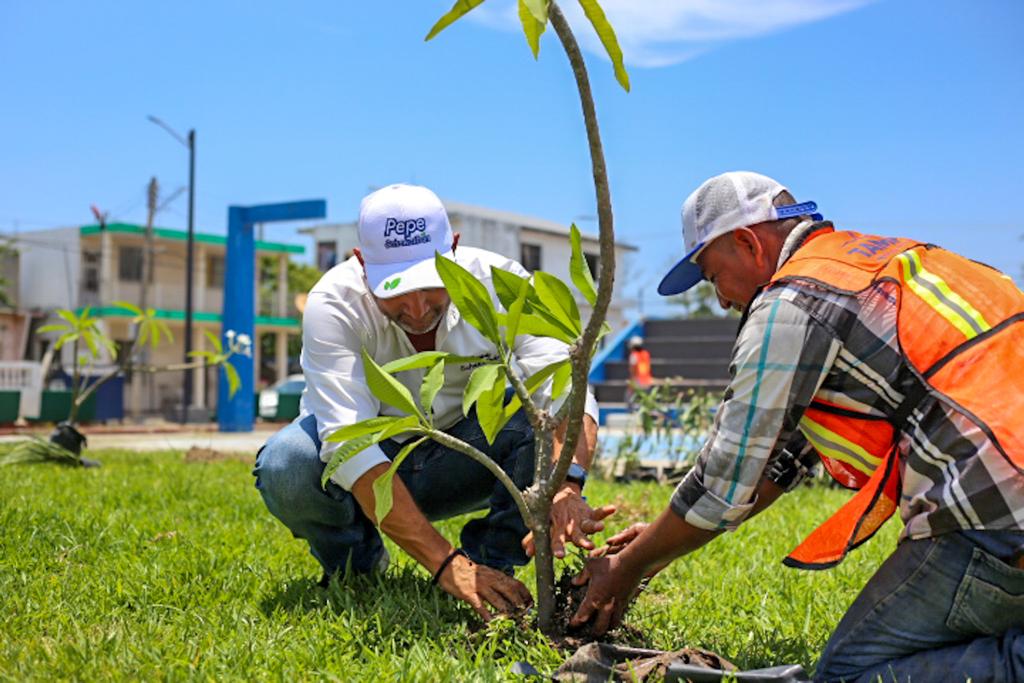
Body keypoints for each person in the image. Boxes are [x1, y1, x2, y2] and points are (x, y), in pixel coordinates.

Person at [572, 171, 1024, 681]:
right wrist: (653, 546)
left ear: (747, 244)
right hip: (1009, 500)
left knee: (850, 674)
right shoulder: (884, 263)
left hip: (997, 521)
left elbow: (723, 482)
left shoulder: (790, 303)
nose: (720, 300)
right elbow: (780, 460)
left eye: (713, 274)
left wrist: (627, 567)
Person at [254, 183, 614, 622]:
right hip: (373, 468)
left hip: (465, 459)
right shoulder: (334, 304)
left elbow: (566, 393)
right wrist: (446, 564)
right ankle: (357, 569)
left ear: (455, 251)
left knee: (532, 422)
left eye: (430, 284)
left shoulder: (500, 285)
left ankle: (492, 567)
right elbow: (350, 447)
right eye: (395, 289)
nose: (418, 307)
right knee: (286, 464)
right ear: (361, 262)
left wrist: (566, 484)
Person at [625, 335, 654, 408]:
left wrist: (632, 381)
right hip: (647, 380)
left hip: (638, 380)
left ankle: (631, 410)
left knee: (629, 396)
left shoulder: (633, 355)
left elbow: (633, 369)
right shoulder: (646, 354)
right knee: (646, 398)